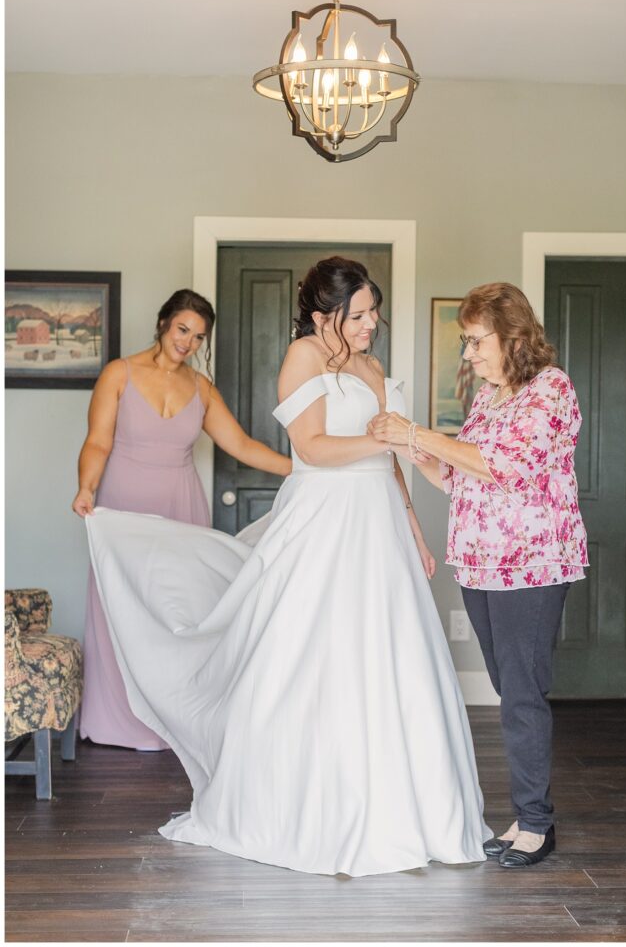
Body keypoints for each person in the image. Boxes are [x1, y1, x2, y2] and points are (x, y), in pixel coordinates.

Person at [84, 257, 492, 876]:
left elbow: (390, 464)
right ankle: (305, 807)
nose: (371, 324)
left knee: (390, 651)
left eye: (374, 312)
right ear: (325, 315)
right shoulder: (302, 358)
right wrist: (388, 439)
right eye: (358, 315)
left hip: (378, 521)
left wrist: (410, 521)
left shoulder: (374, 368)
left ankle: (411, 809)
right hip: (325, 519)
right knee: (310, 652)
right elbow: (312, 448)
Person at [369, 281, 588, 869]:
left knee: (520, 691)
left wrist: (418, 433)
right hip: (481, 562)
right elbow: (468, 480)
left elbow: (507, 467)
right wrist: (424, 458)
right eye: (465, 343)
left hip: (532, 564)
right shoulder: (488, 399)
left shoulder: (551, 389)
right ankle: (524, 816)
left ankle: (537, 823)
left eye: (474, 341)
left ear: (511, 335)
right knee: (506, 686)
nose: (468, 354)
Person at [72, 288, 291, 750]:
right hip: (125, 505)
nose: (188, 342)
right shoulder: (120, 373)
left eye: (198, 337)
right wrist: (86, 487)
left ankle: (174, 720)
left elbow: (243, 446)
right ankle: (119, 718)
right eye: (182, 330)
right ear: (163, 324)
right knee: (122, 605)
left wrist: (303, 468)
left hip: (181, 505)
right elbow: (97, 442)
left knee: (179, 610)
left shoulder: (201, 388)